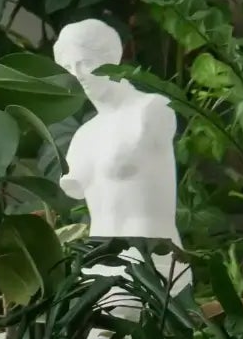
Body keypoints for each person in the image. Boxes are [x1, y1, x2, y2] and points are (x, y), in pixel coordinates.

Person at [54, 19, 181, 244]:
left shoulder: (150, 109)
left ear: (111, 58)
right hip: (100, 258)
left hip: (151, 254)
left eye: (85, 62)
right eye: (69, 67)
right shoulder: (84, 136)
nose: (78, 74)